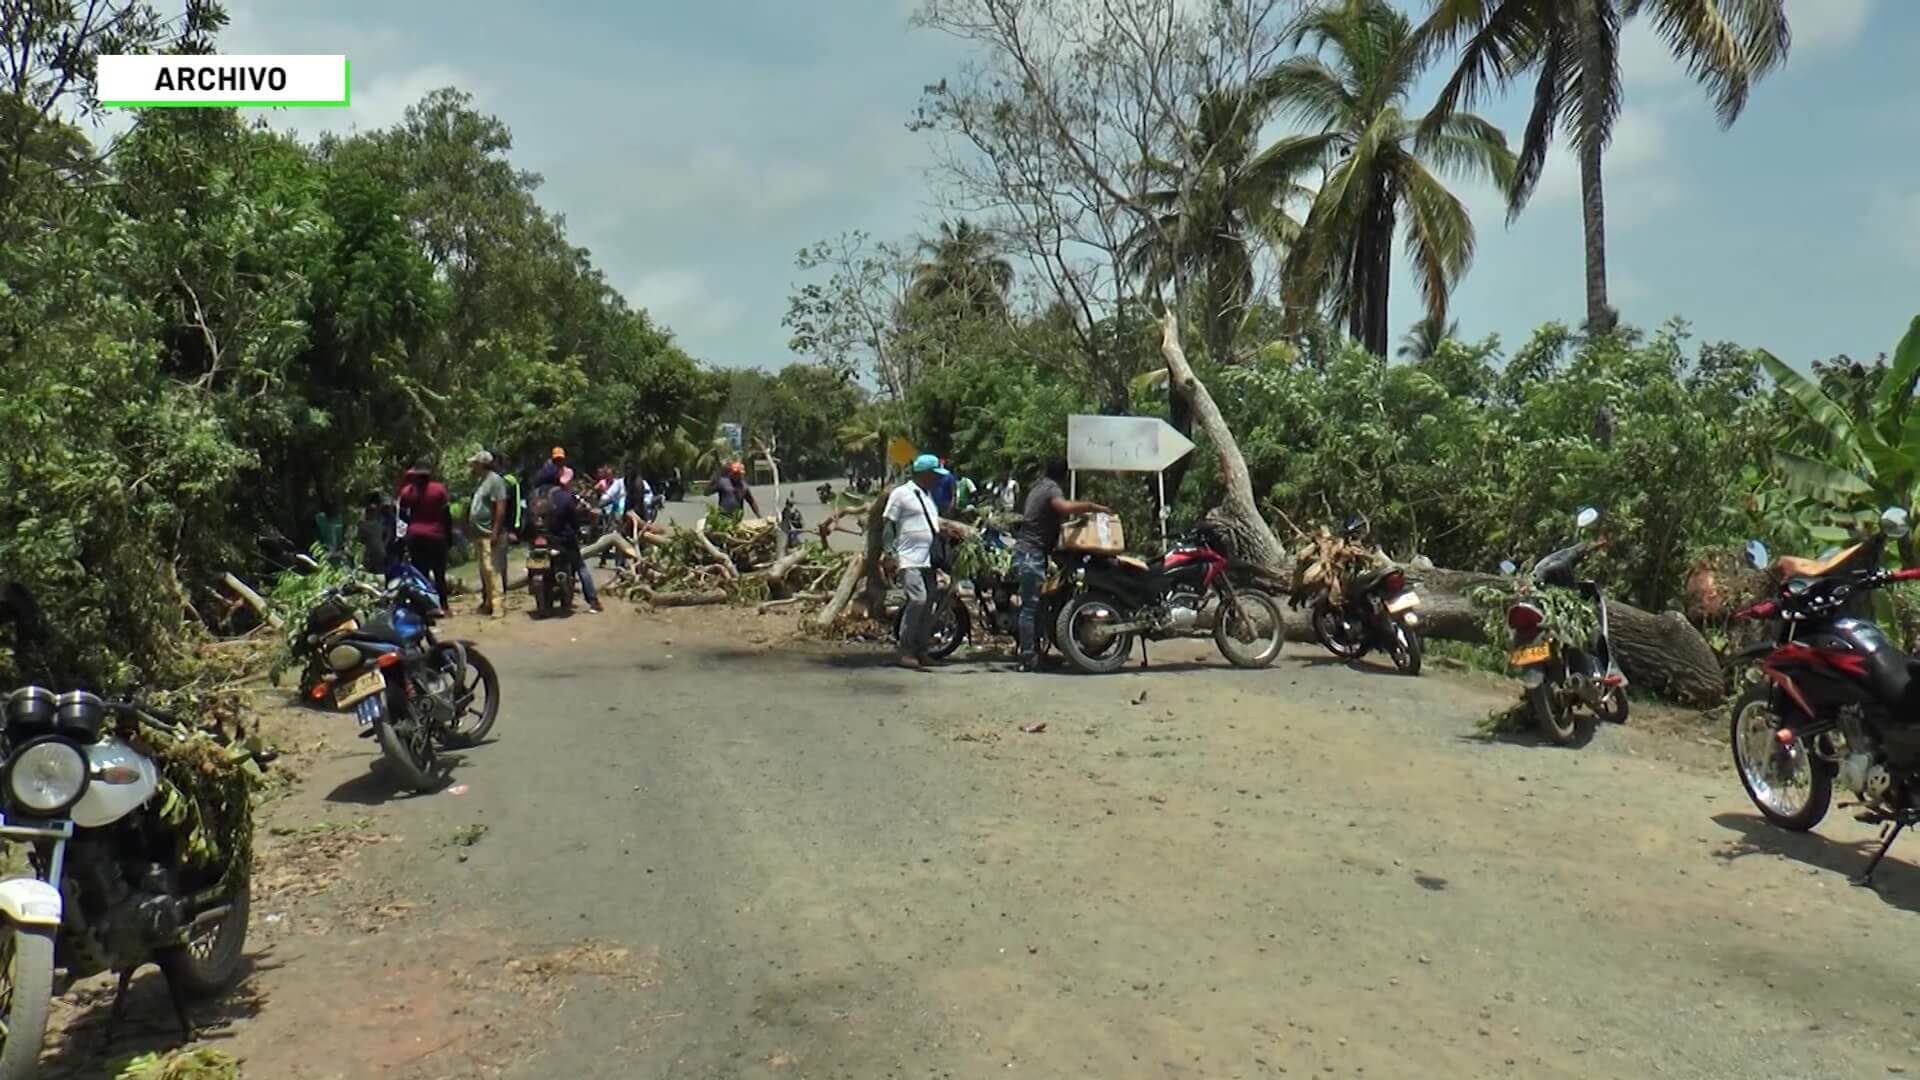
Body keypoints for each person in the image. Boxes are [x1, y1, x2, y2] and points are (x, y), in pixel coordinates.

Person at [1012, 458, 1109, 672]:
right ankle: (1028, 658)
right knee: (1030, 608)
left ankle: (1036, 654)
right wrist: (1091, 507)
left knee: (1035, 607)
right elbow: (1062, 507)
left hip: (1028, 554)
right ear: (1064, 476)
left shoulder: (1038, 486)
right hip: (1031, 555)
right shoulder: (1051, 489)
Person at [885, 454, 960, 671]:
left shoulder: (927, 495)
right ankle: (905, 650)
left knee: (929, 604)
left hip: (928, 559)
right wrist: (890, 553)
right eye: (934, 475)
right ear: (923, 474)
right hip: (909, 558)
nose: (937, 479)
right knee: (918, 600)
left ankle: (921, 650)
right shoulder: (901, 494)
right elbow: (888, 524)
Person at [529, 459, 603, 614]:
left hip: (538, 541)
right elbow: (573, 519)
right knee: (581, 566)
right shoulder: (563, 496)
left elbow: (526, 520)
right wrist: (577, 532)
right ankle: (593, 601)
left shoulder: (532, 496)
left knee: (533, 561)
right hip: (562, 541)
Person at [396, 457, 452, 614]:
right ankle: (444, 606)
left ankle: (426, 608)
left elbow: (401, 514)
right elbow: (446, 515)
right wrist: (448, 536)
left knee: (422, 574)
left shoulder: (407, 492)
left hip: (415, 536)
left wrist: (413, 523)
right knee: (439, 573)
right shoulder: (439, 489)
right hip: (436, 536)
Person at [467, 451, 509, 618]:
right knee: (484, 570)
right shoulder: (481, 481)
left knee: (493, 569)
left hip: (489, 533)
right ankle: (488, 602)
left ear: (482, 464)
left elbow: (500, 506)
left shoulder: (495, 480)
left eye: (474, 464)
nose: (472, 467)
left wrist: (495, 531)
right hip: (479, 533)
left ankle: (498, 605)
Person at [355, 493, 390, 574]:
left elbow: (359, 538)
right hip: (375, 551)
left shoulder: (365, 523)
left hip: (376, 551)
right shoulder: (377, 520)